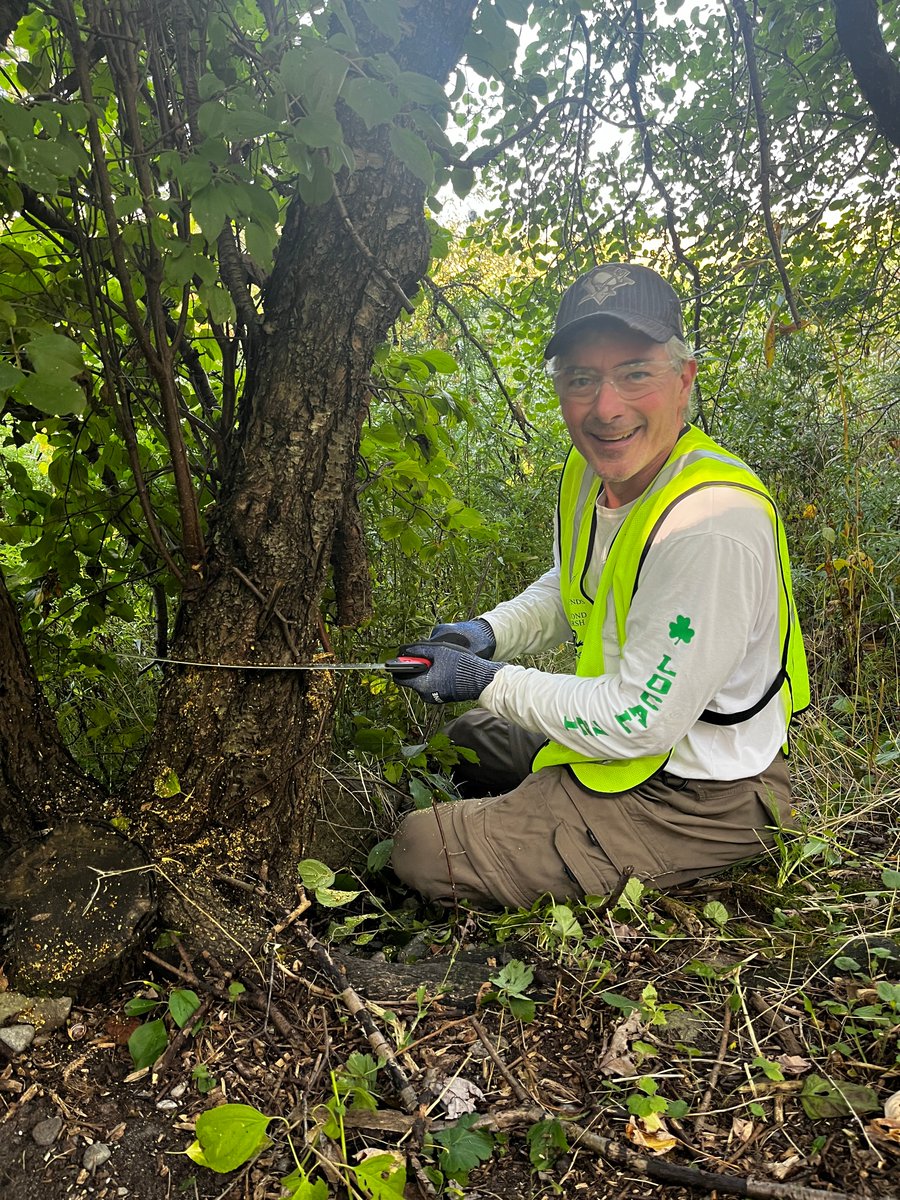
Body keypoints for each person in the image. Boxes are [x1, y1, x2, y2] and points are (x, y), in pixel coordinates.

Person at [390, 262, 809, 908]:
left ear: (683, 380)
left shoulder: (709, 526)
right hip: (629, 736)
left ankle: (679, 841)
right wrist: (486, 635)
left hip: (698, 791)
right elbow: (575, 582)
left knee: (420, 847)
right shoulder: (597, 472)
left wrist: (485, 680)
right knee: (462, 738)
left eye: (634, 373)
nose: (605, 408)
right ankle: (529, 817)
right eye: (581, 380)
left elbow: (637, 720)